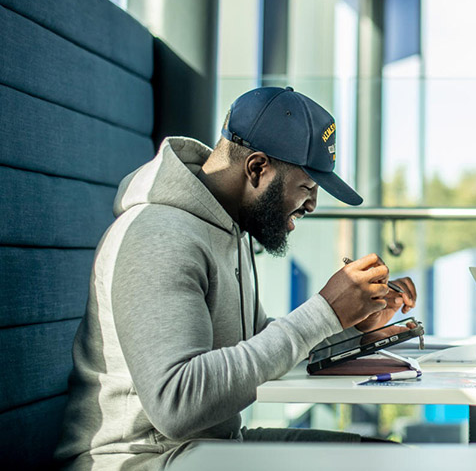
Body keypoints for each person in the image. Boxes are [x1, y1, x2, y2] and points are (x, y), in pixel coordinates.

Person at [55, 87, 417, 470]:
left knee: (390, 458)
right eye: (307, 187)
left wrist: (353, 328)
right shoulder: (158, 236)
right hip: (142, 461)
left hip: (209, 450)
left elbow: (256, 346)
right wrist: (324, 312)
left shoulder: (228, 229)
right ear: (257, 168)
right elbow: (176, 403)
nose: (312, 204)